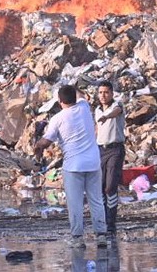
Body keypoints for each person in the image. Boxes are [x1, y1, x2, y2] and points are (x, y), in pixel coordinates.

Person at [35, 84, 108, 248]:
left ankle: (77, 238)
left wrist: (37, 148)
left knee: (75, 203)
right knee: (96, 200)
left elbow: (45, 142)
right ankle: (101, 235)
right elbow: (81, 95)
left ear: (60, 101)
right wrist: (73, 87)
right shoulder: (84, 106)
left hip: (73, 166)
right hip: (93, 163)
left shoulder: (58, 119)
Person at [95, 80, 125, 237]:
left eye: (106, 92)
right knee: (100, 187)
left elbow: (117, 111)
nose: (103, 95)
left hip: (115, 149)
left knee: (110, 187)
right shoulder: (97, 110)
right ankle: (103, 221)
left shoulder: (116, 106)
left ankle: (111, 223)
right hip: (100, 150)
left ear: (112, 93)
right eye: (100, 92)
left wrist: (106, 117)